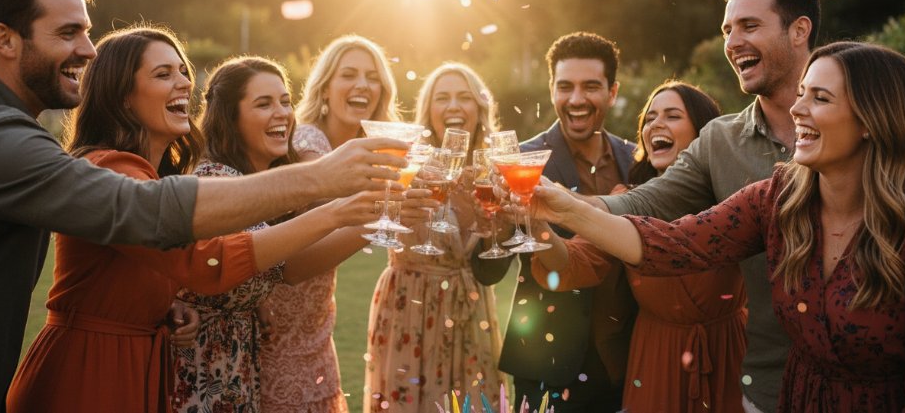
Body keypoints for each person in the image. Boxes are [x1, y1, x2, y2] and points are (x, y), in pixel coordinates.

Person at [0, 0, 407, 411]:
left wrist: (162, 306)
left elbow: (149, 262)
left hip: (129, 366)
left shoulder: (12, 131)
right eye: (69, 32)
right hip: (90, 378)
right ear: (5, 40)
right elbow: (181, 240)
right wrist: (324, 185)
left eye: (183, 72)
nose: (89, 50)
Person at [586, 0, 905, 413]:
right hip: (771, 389)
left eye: (749, 26)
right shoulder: (743, 161)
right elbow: (664, 231)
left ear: (799, 30)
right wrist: (561, 204)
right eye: (727, 29)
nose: (732, 42)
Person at [532, 80, 747, 412]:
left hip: (729, 352)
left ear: (705, 135)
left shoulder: (734, 195)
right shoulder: (627, 201)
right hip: (656, 358)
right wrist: (535, 223)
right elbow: (571, 264)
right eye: (649, 118)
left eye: (672, 116)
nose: (656, 124)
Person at [492, 32, 638, 413]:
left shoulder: (636, 159)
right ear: (552, 90)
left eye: (591, 86)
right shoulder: (520, 159)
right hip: (545, 360)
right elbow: (487, 269)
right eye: (565, 87)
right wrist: (494, 223)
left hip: (625, 362)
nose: (576, 99)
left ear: (612, 92)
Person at [259, 35, 404, 413]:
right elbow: (323, 211)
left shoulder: (360, 151)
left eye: (373, 77)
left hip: (315, 326)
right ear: (325, 88)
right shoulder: (309, 142)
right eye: (349, 75)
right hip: (279, 328)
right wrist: (383, 210)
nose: (363, 85)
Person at [364, 63, 507, 411]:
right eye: (442, 98)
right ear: (428, 109)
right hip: (409, 310)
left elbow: (497, 259)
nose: (454, 106)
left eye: (464, 97)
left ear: (479, 108)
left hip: (473, 313)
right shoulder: (405, 163)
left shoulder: (494, 171)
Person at [170, 56, 298, 411]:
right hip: (196, 369)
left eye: (285, 102)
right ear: (230, 116)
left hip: (235, 365)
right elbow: (270, 262)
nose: (282, 113)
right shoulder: (215, 179)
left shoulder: (247, 182)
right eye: (264, 103)